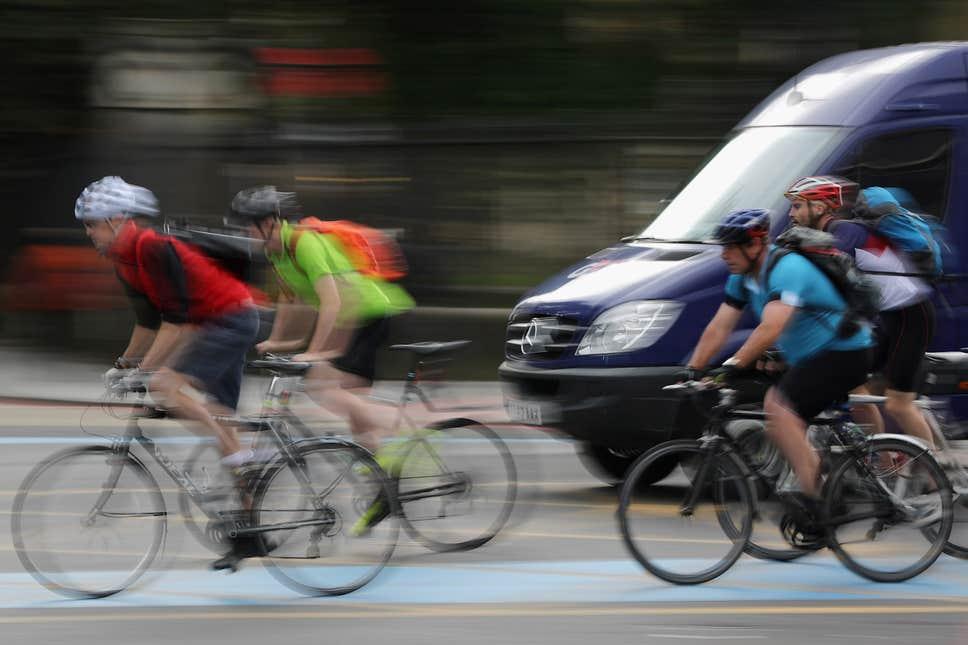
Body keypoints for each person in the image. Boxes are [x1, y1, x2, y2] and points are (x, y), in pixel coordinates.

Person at [75, 176, 264, 571]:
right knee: (221, 420)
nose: (88, 232)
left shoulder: (152, 248)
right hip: (213, 322)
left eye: (92, 223)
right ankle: (252, 531)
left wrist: (145, 373)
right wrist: (123, 366)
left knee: (166, 386)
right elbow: (147, 324)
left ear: (118, 220)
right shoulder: (123, 261)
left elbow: (178, 324)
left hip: (229, 318)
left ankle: (241, 457)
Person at [229, 186, 416, 532]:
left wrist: (314, 351)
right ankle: (385, 489)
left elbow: (332, 301)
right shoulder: (277, 252)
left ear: (270, 222)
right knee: (352, 405)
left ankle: (404, 436)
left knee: (321, 386)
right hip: (355, 314)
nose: (245, 233)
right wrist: (278, 341)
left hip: (369, 311)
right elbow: (290, 300)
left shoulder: (305, 242)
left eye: (248, 225)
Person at [684, 209, 873, 530]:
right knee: (777, 420)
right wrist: (693, 370)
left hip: (846, 352)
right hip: (812, 358)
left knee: (779, 408)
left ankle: (819, 501)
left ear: (756, 244)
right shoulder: (741, 278)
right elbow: (719, 327)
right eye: (723, 247)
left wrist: (732, 365)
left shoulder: (787, 269)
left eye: (732, 247)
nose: (725, 255)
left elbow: (771, 327)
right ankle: (821, 489)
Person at [784, 176, 936, 448]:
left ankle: (939, 476)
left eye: (796, 206)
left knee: (899, 404)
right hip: (888, 317)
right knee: (856, 386)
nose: (790, 213)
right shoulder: (834, 235)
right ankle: (881, 463)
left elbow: (831, 284)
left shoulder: (845, 233)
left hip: (911, 316)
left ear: (818, 208)